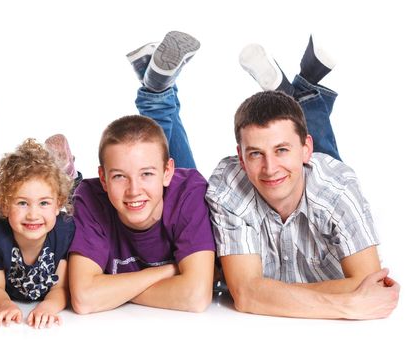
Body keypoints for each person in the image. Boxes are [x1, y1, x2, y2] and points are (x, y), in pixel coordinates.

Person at [205, 35, 400, 319]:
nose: (270, 168)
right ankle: (300, 90)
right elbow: (246, 294)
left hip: (319, 181)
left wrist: (269, 294)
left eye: (281, 150)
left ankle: (298, 92)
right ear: (241, 156)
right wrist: (346, 304)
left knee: (324, 168)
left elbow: (372, 285)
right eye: (256, 154)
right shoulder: (229, 187)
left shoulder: (336, 189)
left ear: (307, 148)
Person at [68, 31, 216, 314]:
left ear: (166, 172)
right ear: (103, 178)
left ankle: (156, 95)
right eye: (119, 176)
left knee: (168, 161)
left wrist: (113, 288)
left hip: (180, 187)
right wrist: (171, 272)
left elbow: (195, 297)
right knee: (152, 151)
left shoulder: (189, 191)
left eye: (147, 175)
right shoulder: (88, 196)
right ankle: (158, 93)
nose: (134, 190)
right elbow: (85, 299)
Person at [0, 138, 75, 328]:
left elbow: (61, 288)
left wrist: (47, 307)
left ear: (58, 205)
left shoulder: (64, 231)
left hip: (63, 211)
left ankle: (68, 167)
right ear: (6, 206)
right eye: (22, 203)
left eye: (44, 203)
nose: (33, 215)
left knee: (75, 191)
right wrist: (5, 305)